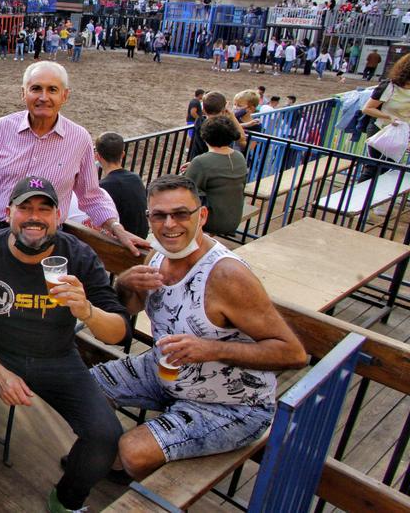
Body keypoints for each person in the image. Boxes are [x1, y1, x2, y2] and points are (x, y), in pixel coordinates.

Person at [99, 175, 307, 479]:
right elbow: (129, 307)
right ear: (149, 218)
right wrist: (125, 284)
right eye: (159, 215)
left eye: (181, 214)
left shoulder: (226, 275)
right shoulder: (159, 253)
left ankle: (124, 468)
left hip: (231, 404)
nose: (169, 224)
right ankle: (104, 456)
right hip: (165, 371)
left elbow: (294, 354)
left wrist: (211, 349)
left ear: (202, 216)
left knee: (133, 450)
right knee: (86, 388)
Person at [0, 176, 129, 513]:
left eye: (44, 208)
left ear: (58, 215)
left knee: (105, 435)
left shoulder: (79, 255)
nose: (34, 216)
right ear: (8, 212)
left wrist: (87, 311)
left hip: (57, 355)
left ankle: (67, 501)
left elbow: (119, 332)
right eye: (25, 207)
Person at [0, 61, 147, 253]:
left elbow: (91, 195)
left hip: (47, 241)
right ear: (23, 93)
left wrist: (116, 228)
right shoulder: (1, 129)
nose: (44, 97)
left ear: (64, 95)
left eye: (52, 89)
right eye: (36, 88)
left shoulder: (79, 138)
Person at [184, 116, 248, 236]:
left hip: (212, 221)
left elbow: (187, 189)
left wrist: (191, 168)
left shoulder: (201, 162)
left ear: (205, 136)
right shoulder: (239, 156)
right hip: (233, 218)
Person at [359, 53, 410, 181]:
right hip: (380, 129)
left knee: (385, 169)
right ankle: (356, 198)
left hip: (401, 133)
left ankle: (368, 197)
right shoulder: (390, 86)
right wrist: (389, 117)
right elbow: (367, 108)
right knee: (373, 169)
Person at [94, 133, 148, 238]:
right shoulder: (135, 178)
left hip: (121, 242)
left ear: (98, 157)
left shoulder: (103, 188)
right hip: (140, 236)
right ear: (123, 154)